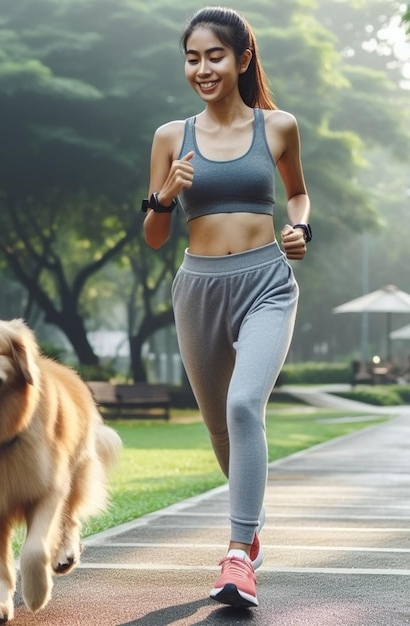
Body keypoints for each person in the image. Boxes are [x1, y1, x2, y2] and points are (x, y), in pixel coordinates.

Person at [142, 6, 311, 609]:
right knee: (220, 427)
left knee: (244, 405)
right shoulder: (170, 137)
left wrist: (300, 231)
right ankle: (253, 528)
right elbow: (155, 235)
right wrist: (164, 197)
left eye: (215, 56)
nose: (203, 68)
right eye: (192, 58)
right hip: (199, 289)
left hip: (266, 280)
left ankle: (238, 554)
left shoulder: (278, 127)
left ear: (242, 60)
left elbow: (298, 193)